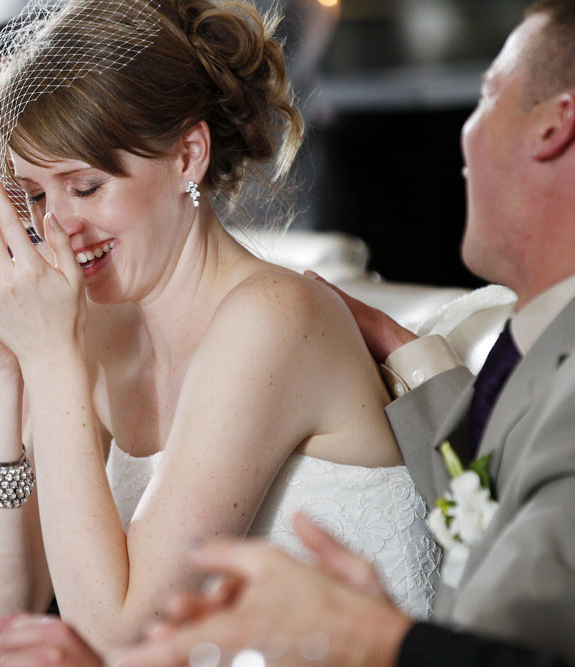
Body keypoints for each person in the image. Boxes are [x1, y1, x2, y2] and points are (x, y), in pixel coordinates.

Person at [0, 0, 439, 653]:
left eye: (85, 187)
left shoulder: (274, 317)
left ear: (187, 156)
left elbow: (120, 637)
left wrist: (50, 360)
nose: (55, 227)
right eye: (33, 195)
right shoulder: (95, 329)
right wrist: (4, 371)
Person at [114, 0, 575, 663]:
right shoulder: (542, 336)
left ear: (555, 125)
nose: (463, 133)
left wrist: (378, 638)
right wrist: (412, 355)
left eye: (486, 94)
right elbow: (503, 509)